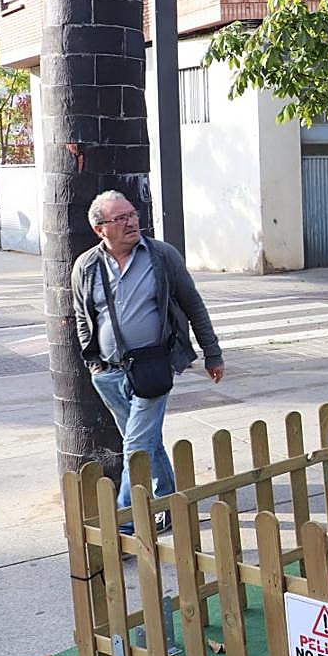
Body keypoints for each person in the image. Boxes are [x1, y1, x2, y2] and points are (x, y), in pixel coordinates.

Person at [71, 190, 224, 530]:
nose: (132, 221)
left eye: (132, 214)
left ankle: (124, 525)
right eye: (120, 218)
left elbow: (192, 305)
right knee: (146, 441)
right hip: (108, 373)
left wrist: (212, 353)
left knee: (136, 445)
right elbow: (82, 316)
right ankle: (169, 501)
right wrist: (93, 362)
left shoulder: (161, 256)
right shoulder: (86, 266)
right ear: (100, 229)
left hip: (153, 367)